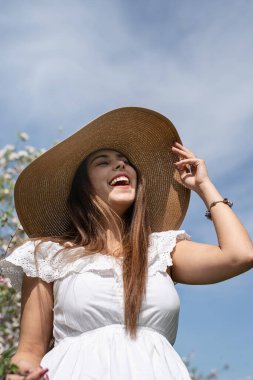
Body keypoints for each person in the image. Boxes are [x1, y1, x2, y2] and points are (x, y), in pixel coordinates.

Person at [1, 107, 253, 380]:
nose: (120, 165)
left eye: (124, 161)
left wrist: (205, 186)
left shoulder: (161, 251)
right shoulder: (47, 256)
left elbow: (240, 255)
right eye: (103, 162)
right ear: (83, 188)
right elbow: (29, 350)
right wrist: (20, 375)